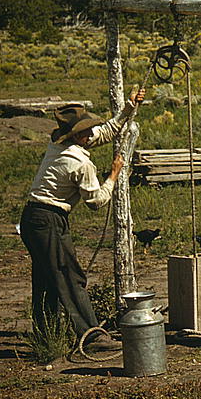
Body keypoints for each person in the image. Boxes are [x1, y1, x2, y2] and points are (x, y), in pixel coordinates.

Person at [19, 86, 146, 353]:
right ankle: (92, 335)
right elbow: (96, 202)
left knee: (47, 278)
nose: (92, 133)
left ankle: (47, 336)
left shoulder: (60, 142)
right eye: (87, 130)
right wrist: (113, 175)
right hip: (48, 219)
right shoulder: (79, 163)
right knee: (68, 275)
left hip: (35, 219)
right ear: (76, 135)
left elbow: (108, 131)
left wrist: (129, 108)